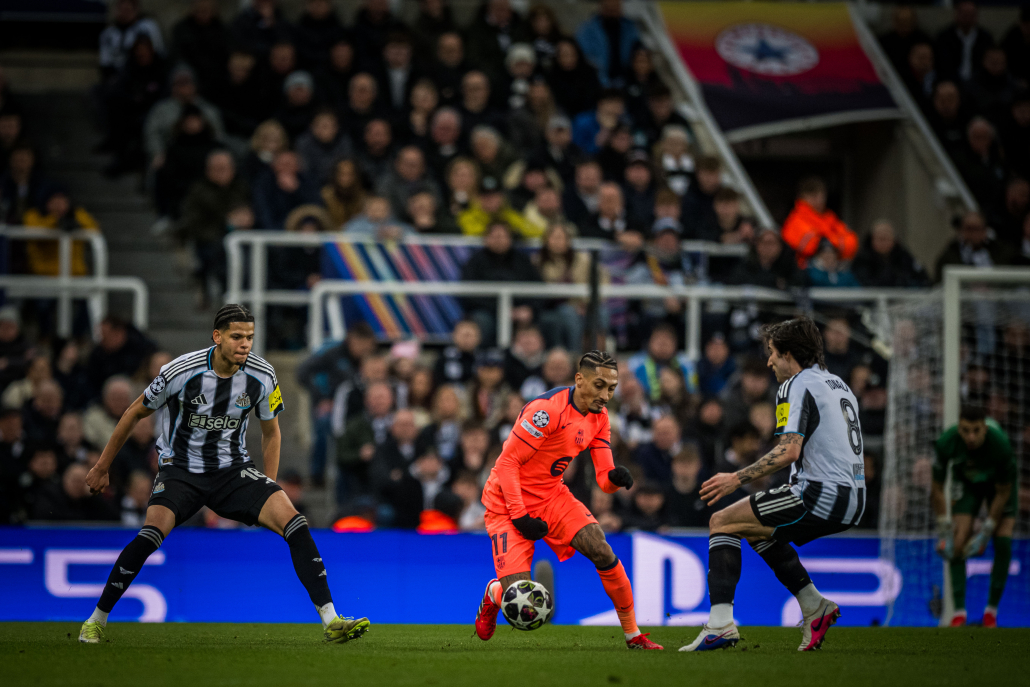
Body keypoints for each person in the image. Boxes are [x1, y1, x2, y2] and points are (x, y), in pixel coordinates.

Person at [77, 305, 370, 644]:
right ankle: (96, 620)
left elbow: (272, 432)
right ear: (217, 337)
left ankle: (331, 620)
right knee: (151, 534)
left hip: (232, 470)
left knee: (296, 523)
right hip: (181, 471)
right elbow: (133, 413)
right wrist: (102, 467)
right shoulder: (180, 371)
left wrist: (269, 485)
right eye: (237, 337)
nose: (245, 344)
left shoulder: (263, 375)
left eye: (249, 337)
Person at [680, 317, 864, 653]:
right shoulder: (839, 385)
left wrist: (736, 477)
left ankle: (720, 625)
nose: (769, 362)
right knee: (752, 528)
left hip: (820, 492)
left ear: (788, 354)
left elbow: (789, 450)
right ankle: (814, 605)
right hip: (854, 496)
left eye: (773, 353)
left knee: (721, 521)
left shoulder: (795, 385)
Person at [473, 351, 663, 650]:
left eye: (611, 388)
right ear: (579, 379)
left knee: (601, 549)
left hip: (552, 495)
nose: (606, 395)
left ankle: (633, 635)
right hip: (507, 501)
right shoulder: (546, 411)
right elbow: (507, 464)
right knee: (521, 603)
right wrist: (520, 516)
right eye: (599, 385)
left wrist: (615, 478)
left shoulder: (600, 417)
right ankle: (494, 593)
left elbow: (603, 479)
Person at [932, 406, 1016, 628]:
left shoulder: (1000, 445)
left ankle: (991, 613)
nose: (971, 437)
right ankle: (959, 613)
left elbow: (1003, 492)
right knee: (957, 541)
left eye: (976, 430)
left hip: (998, 487)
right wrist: (944, 529)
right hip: (967, 482)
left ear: (985, 428)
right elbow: (937, 488)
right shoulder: (946, 442)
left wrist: (986, 530)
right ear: (958, 428)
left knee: (1002, 540)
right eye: (965, 430)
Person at [780, 177, 858, 268]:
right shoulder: (795, 219)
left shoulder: (830, 218)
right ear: (802, 197)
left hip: (831, 269)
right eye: (813, 196)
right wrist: (834, 241)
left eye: (821, 195)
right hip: (805, 271)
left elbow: (852, 243)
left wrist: (826, 240)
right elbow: (810, 246)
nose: (819, 200)